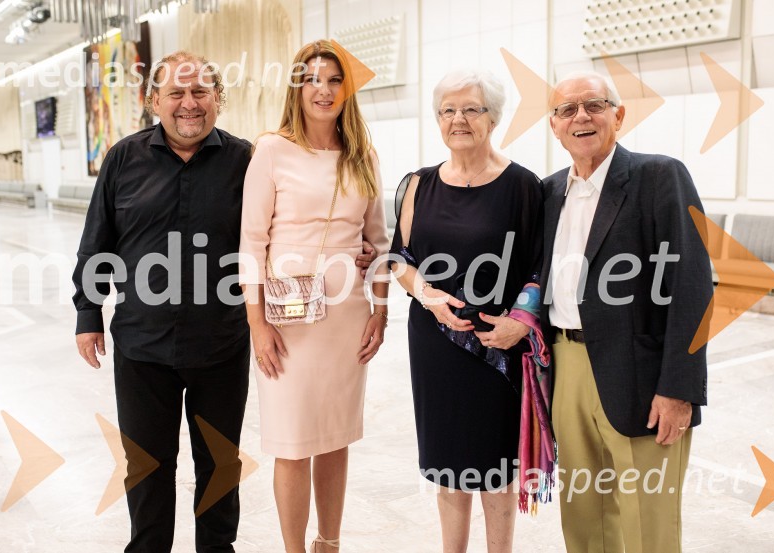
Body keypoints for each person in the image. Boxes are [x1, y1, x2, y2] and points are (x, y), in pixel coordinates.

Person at [72, 49, 378, 553]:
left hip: (221, 341)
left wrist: (353, 250)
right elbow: (97, 240)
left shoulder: (245, 159)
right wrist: (88, 313)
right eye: (176, 93)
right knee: (146, 463)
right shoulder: (123, 158)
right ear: (154, 101)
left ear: (219, 98)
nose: (189, 103)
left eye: (200, 92)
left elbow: (278, 227)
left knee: (219, 463)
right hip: (142, 342)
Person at [540, 71, 712, 553]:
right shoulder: (548, 193)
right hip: (566, 367)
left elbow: (692, 288)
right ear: (554, 126)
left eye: (594, 105)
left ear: (618, 115)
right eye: (567, 110)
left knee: (646, 526)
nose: (580, 117)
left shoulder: (659, 177)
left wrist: (678, 389)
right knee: (583, 517)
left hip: (641, 376)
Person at [238, 40, 390, 553]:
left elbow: (379, 242)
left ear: (347, 90)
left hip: (346, 317)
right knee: (291, 442)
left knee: (334, 438)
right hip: (286, 319)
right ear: (297, 89)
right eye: (312, 80)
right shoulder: (271, 150)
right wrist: (257, 324)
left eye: (334, 80)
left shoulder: (363, 155)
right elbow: (251, 242)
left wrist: (381, 310)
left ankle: (329, 542)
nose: (323, 90)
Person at [390, 70, 545, 553]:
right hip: (434, 345)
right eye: (448, 110)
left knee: (496, 471)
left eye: (471, 109)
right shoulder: (418, 184)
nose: (458, 119)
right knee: (447, 467)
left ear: (493, 118)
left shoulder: (523, 185)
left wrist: (518, 323)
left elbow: (540, 267)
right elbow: (400, 259)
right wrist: (428, 297)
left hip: (497, 349)